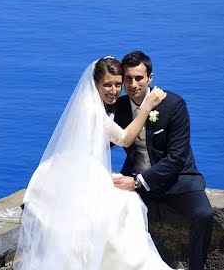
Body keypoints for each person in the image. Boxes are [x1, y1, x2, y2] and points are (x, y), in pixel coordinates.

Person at [14, 57, 173, 270]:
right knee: (124, 205)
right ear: (95, 84)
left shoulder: (94, 104)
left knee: (127, 202)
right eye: (107, 85)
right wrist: (146, 107)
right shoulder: (91, 110)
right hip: (76, 175)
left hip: (81, 168)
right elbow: (125, 139)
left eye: (118, 85)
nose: (114, 90)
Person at [113, 51, 214, 270]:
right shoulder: (119, 108)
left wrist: (137, 182)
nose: (132, 84)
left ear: (150, 78)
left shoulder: (174, 105)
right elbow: (104, 142)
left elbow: (176, 158)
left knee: (204, 215)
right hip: (137, 183)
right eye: (127, 78)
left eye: (139, 78)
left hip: (178, 181)